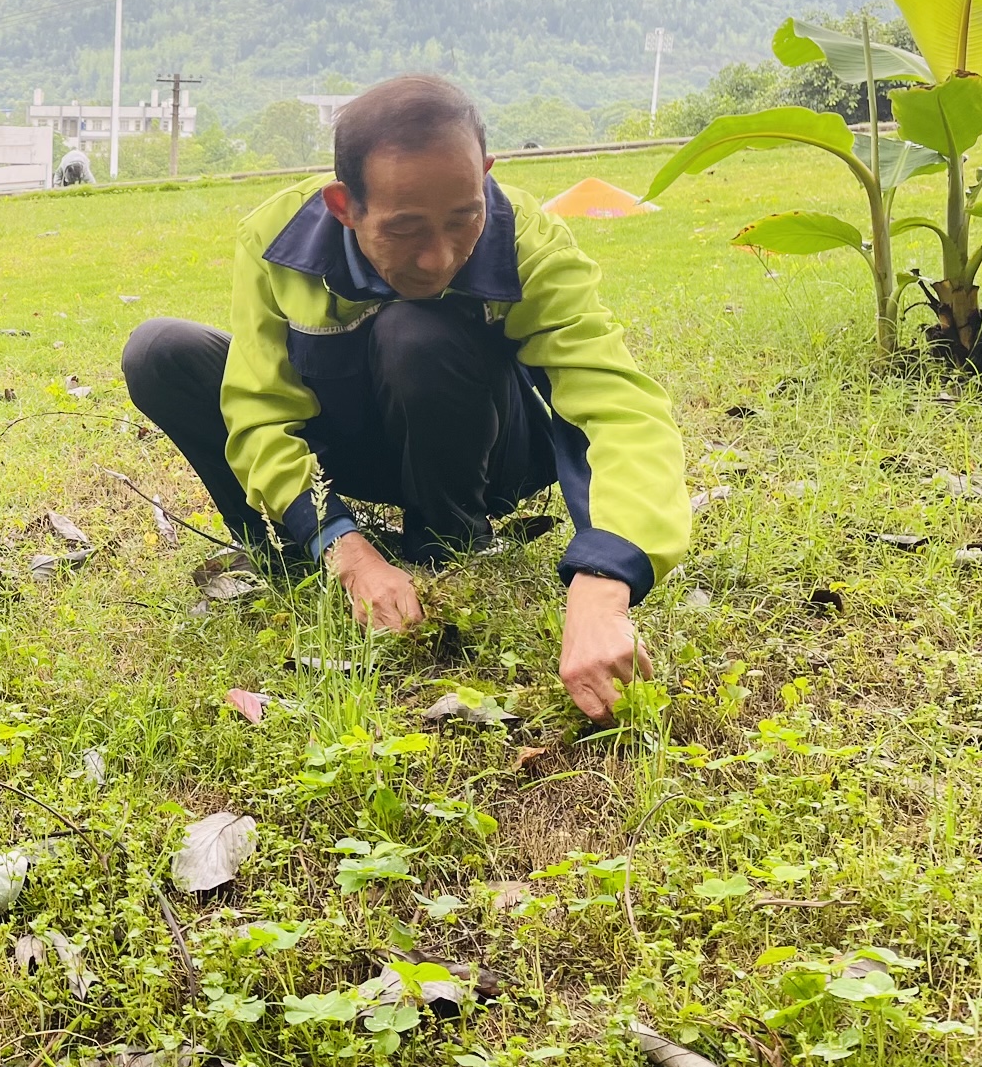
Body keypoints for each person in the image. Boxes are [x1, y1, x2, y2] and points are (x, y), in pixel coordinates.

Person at [121, 74, 689, 722]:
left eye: (464, 217)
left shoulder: (525, 237)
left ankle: (445, 545)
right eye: (405, 229)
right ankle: (296, 553)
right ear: (344, 205)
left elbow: (620, 406)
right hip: (348, 440)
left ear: (486, 175)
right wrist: (344, 544)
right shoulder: (276, 241)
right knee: (158, 351)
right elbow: (259, 413)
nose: (438, 256)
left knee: (415, 328)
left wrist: (604, 580)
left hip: (487, 448)